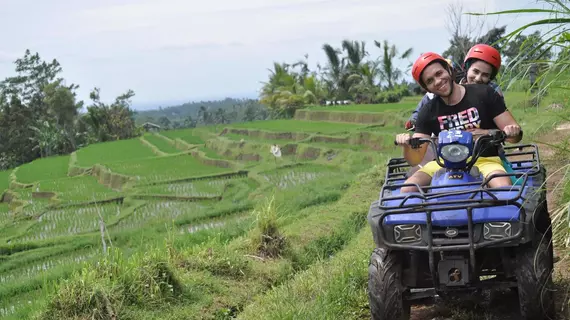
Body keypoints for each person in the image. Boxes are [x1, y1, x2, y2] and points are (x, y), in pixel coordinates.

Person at [395, 52, 522, 193]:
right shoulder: (427, 111)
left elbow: (515, 137)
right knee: (407, 189)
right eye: (430, 81)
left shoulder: (485, 94)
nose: (437, 81)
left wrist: (511, 131)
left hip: (485, 160)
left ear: (449, 70)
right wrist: (406, 145)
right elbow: (415, 159)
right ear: (426, 88)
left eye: (439, 73)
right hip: (443, 163)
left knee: (503, 187)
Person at [405, 44, 504, 131]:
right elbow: (426, 104)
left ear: (491, 77)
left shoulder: (492, 91)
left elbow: (501, 120)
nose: (478, 79)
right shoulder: (449, 85)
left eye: (485, 75)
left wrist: (489, 132)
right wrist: (414, 120)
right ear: (467, 68)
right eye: (475, 72)